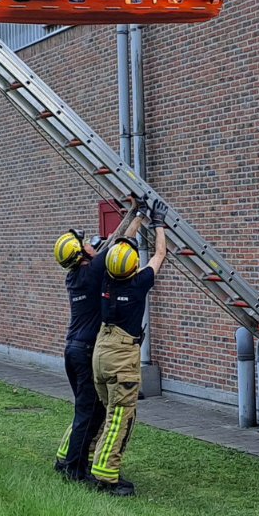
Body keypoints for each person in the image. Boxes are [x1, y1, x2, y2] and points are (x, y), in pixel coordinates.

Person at [53, 198, 145, 482]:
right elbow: (119, 242)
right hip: (86, 352)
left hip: (73, 350)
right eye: (86, 244)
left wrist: (132, 212)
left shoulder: (75, 276)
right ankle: (74, 469)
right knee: (89, 412)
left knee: (87, 410)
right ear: (82, 254)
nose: (92, 243)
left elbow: (109, 242)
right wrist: (138, 216)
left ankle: (67, 459)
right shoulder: (93, 272)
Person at [89, 198, 169, 496]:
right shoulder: (138, 284)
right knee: (120, 417)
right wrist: (159, 223)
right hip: (122, 357)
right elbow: (160, 254)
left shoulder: (105, 278)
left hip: (102, 352)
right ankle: (107, 475)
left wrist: (139, 217)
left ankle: (91, 459)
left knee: (107, 412)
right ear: (134, 265)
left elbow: (119, 245)